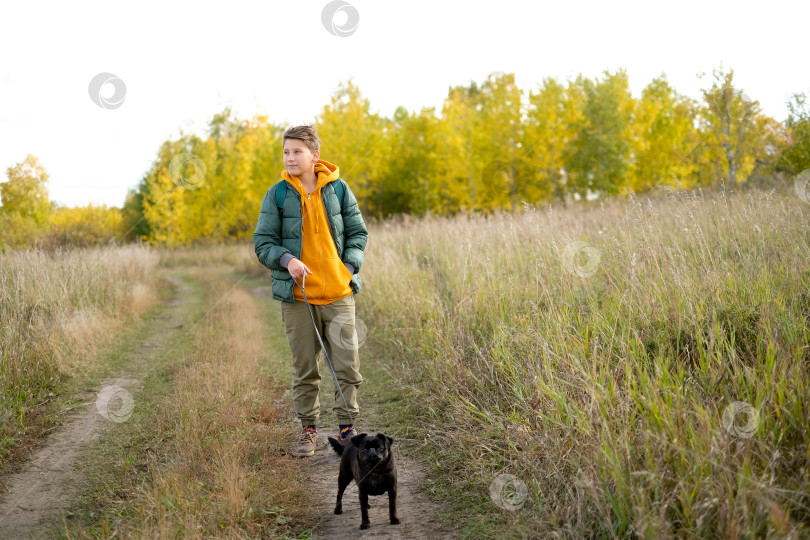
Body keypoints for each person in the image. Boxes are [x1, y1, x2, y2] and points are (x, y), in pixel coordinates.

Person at [254, 124, 368, 457]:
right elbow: (263, 243)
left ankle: (347, 429)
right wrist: (287, 260)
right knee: (306, 369)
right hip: (298, 298)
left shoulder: (339, 189)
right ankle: (308, 431)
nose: (290, 157)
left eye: (297, 151)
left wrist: (347, 268)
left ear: (314, 155)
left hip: (339, 295)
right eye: (286, 152)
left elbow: (358, 234)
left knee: (347, 367)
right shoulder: (276, 194)